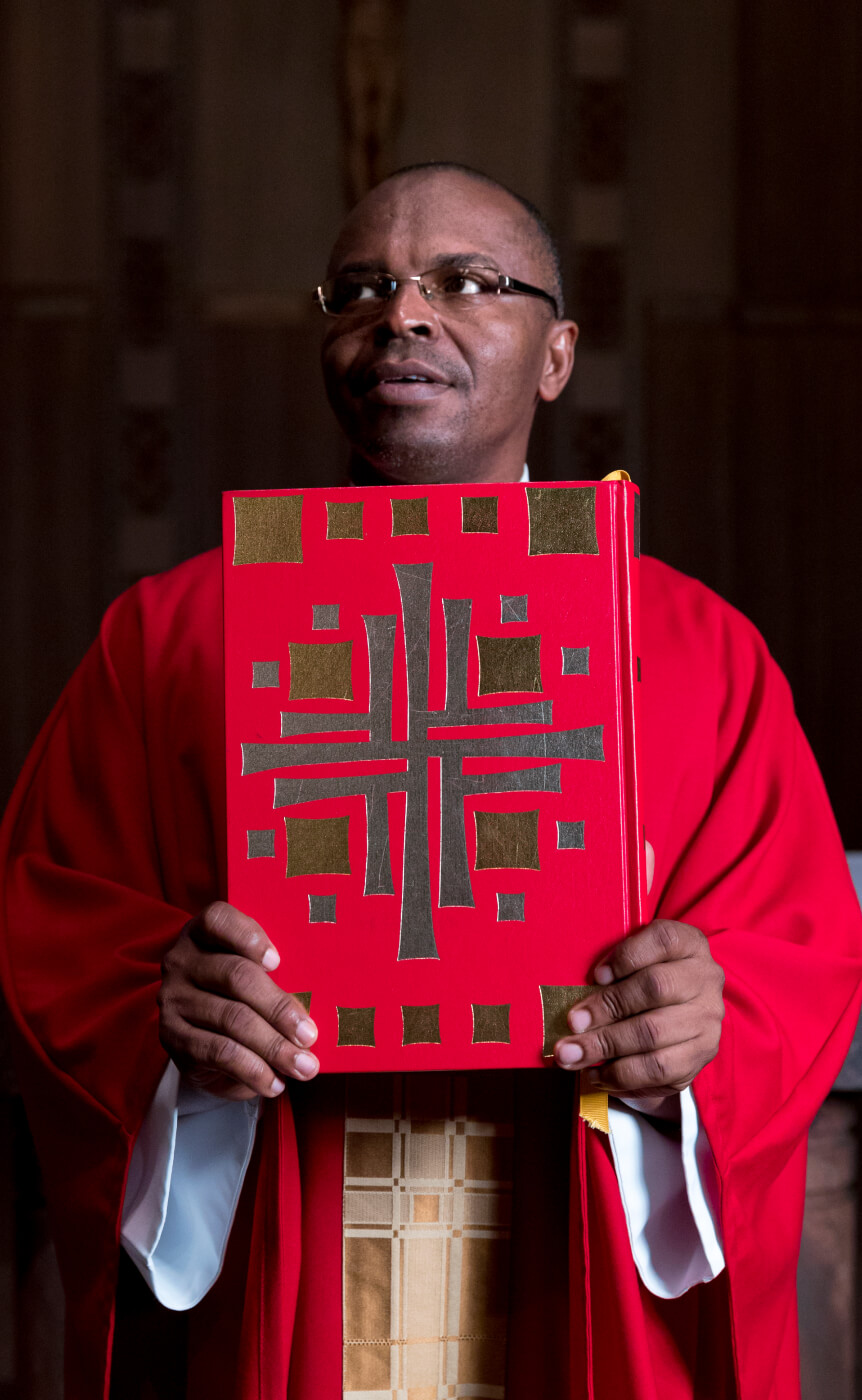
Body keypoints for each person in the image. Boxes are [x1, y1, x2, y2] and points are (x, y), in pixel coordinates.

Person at [1, 163, 859, 1400]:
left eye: (465, 282)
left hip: (573, 1257)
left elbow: (793, 952)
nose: (399, 314)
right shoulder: (170, 635)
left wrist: (701, 1030)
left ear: (555, 354)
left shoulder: (695, 649)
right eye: (360, 288)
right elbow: (56, 923)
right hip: (281, 1252)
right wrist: (167, 1014)